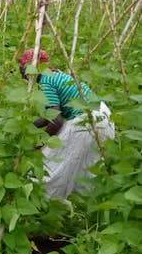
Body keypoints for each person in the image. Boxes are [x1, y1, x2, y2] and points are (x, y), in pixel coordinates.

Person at [19, 49, 115, 198]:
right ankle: (83, 205)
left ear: (31, 69)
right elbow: (49, 116)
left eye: (23, 70)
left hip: (86, 120)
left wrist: (40, 143)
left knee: (49, 164)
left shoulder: (45, 81)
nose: (23, 76)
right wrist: (28, 126)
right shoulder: (55, 75)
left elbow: (56, 120)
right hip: (102, 115)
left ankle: (41, 204)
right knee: (85, 167)